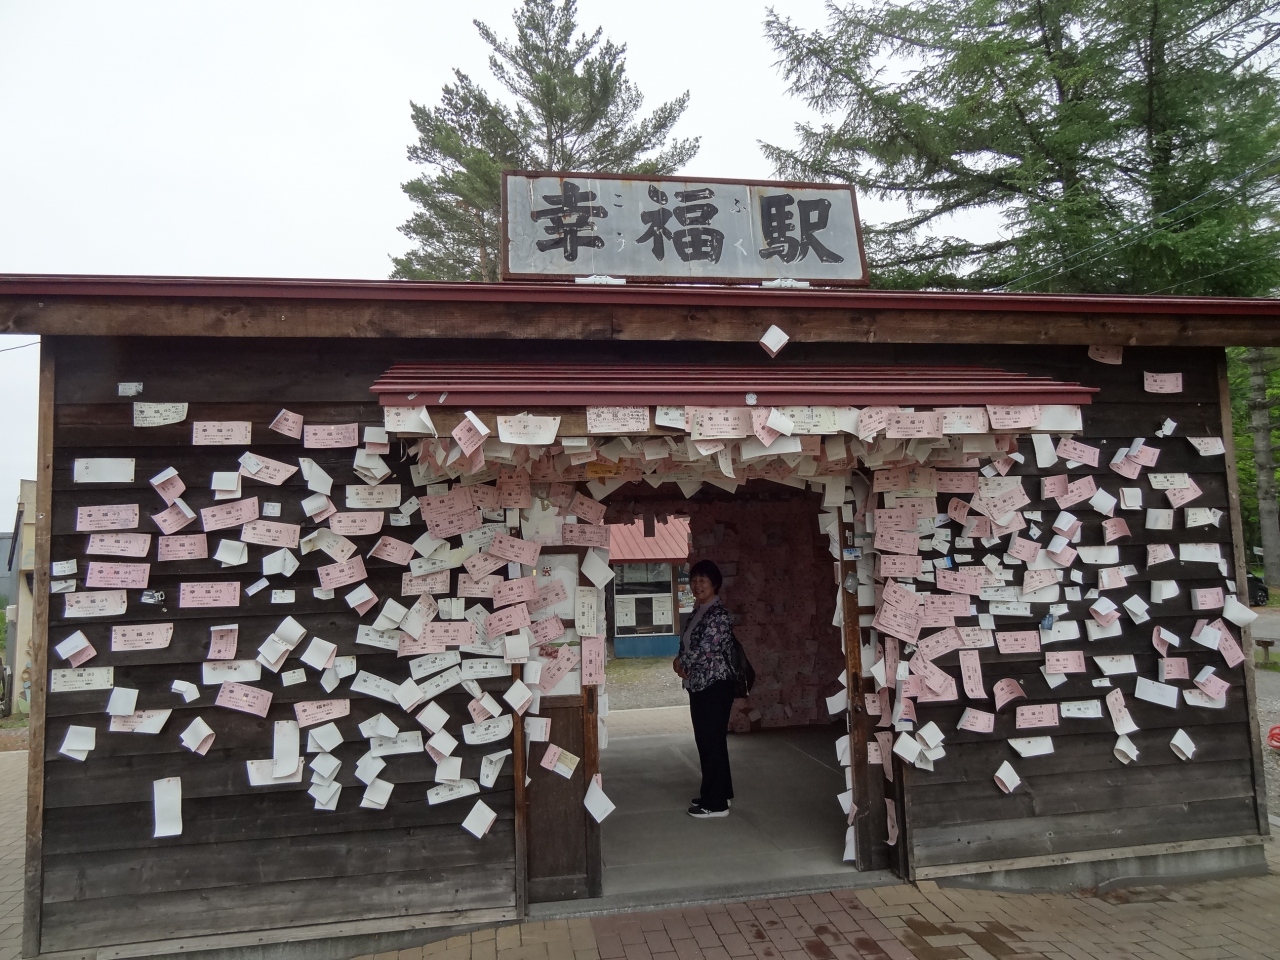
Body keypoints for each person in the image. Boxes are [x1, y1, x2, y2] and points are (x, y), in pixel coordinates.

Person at [673, 559, 736, 818]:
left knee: (711, 741)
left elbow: (706, 649)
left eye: (703, 581)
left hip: (714, 685)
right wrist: (680, 660)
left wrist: (681, 663)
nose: (697, 585)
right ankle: (720, 792)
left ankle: (715, 804)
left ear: (715, 584)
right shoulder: (698, 610)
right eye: (694, 580)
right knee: (709, 741)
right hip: (699, 684)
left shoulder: (718, 614)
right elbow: (687, 643)